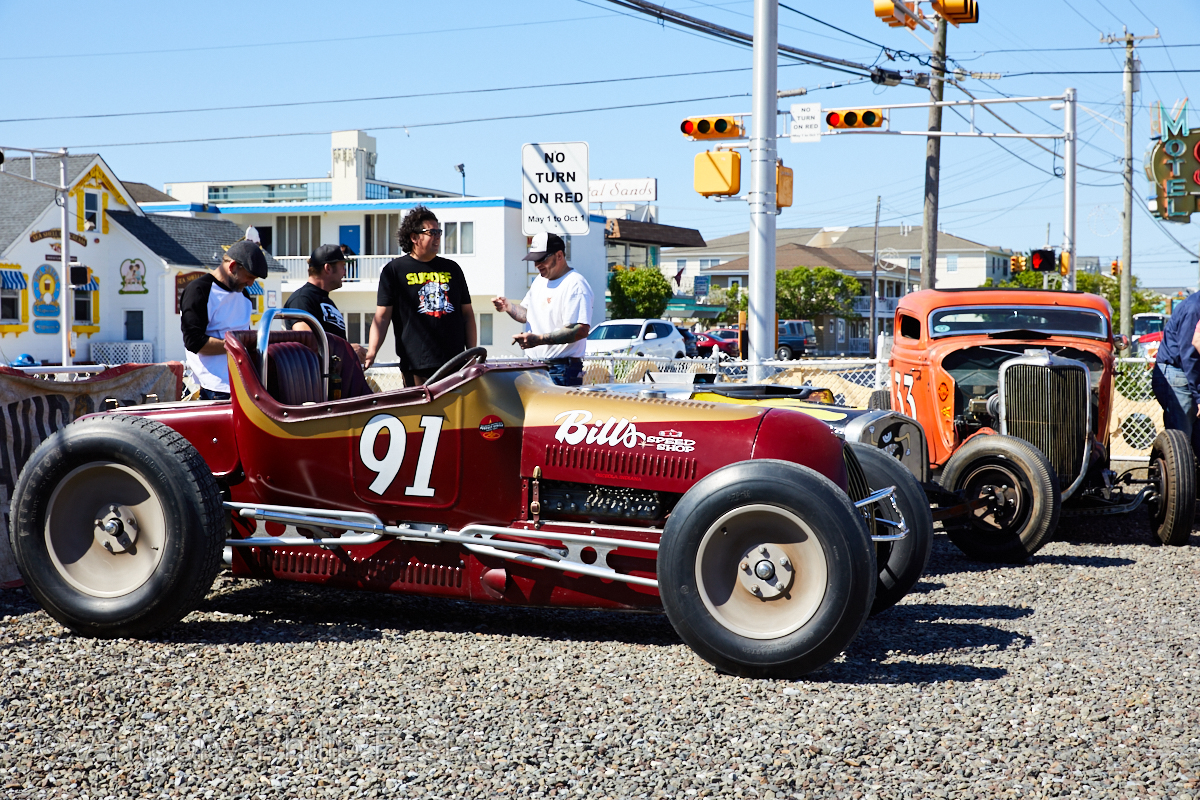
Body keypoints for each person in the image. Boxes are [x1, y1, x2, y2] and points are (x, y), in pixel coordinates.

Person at [365, 206, 476, 385]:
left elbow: (467, 315)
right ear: (414, 237)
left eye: (439, 231)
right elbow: (382, 317)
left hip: (456, 364)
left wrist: (472, 354)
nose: (438, 236)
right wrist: (372, 351)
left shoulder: (453, 269)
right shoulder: (394, 270)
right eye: (431, 232)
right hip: (416, 365)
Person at [492, 232, 594, 386]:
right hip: (536, 366)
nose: (537, 264)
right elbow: (527, 314)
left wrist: (538, 340)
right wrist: (508, 307)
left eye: (542, 259)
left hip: (562, 369)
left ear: (559, 255)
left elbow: (580, 330)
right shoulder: (539, 281)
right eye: (534, 260)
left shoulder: (575, 284)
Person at [179, 240, 267, 400]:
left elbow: (245, 336)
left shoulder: (244, 296)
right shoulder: (199, 291)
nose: (250, 283)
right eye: (249, 277)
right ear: (232, 266)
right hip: (214, 388)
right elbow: (194, 342)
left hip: (244, 383)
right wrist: (237, 347)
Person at [284, 244, 366, 362]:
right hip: (315, 379)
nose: (345, 272)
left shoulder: (327, 301)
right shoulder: (301, 299)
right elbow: (306, 339)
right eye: (342, 266)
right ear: (328, 268)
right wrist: (347, 350)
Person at [1152, 292, 1200, 454]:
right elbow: (1189, 354)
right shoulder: (1194, 309)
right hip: (1177, 374)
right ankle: (1169, 476)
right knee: (1180, 442)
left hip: (1185, 374)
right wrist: (1199, 396)